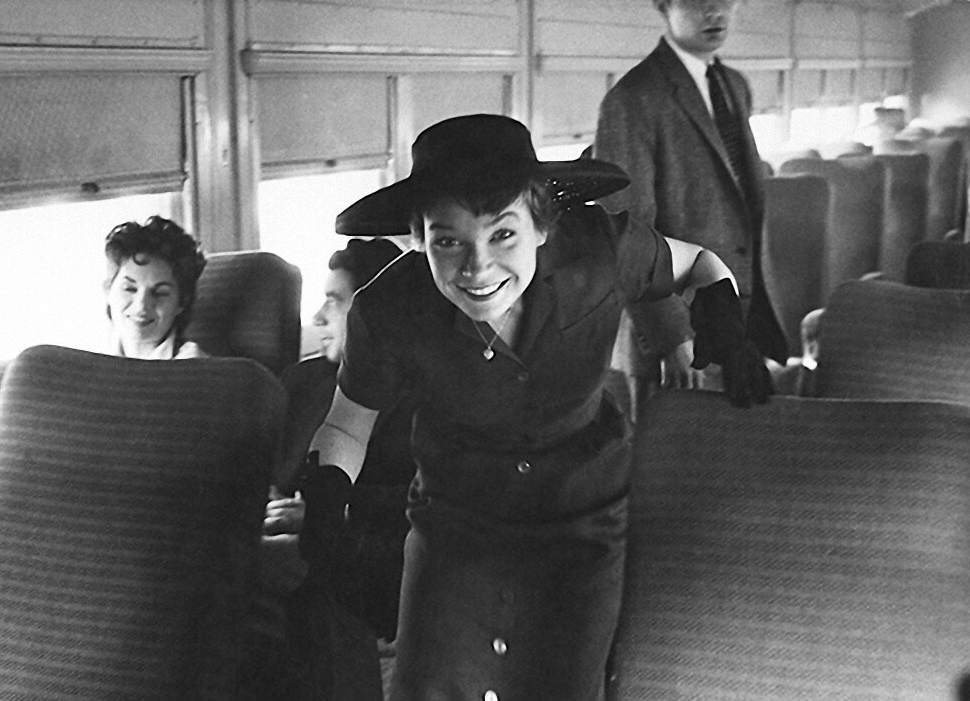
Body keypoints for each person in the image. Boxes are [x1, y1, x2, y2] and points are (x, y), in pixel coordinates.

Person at [299, 113, 771, 701]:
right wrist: (325, 500)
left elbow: (700, 265)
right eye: (449, 241)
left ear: (542, 225)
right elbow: (347, 425)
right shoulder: (387, 309)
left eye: (503, 235)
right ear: (418, 239)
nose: (477, 268)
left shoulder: (600, 251)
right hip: (455, 528)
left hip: (583, 518)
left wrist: (720, 317)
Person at [593, 0, 788, 417]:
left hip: (741, 317)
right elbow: (625, 232)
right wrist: (671, 336)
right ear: (664, 5)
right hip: (681, 331)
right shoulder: (632, 98)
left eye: (725, 0)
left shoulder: (734, 85)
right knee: (675, 452)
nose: (715, 12)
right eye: (698, 2)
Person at [257, 238, 413, 701]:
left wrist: (327, 517)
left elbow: (410, 513)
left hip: (363, 563)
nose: (318, 318)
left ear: (374, 316)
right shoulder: (299, 382)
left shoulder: (421, 405)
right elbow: (265, 472)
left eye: (334, 302)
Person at [103, 215, 207, 359]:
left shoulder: (198, 368)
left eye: (160, 293)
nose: (141, 306)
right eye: (129, 289)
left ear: (182, 302)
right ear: (108, 291)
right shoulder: (85, 360)